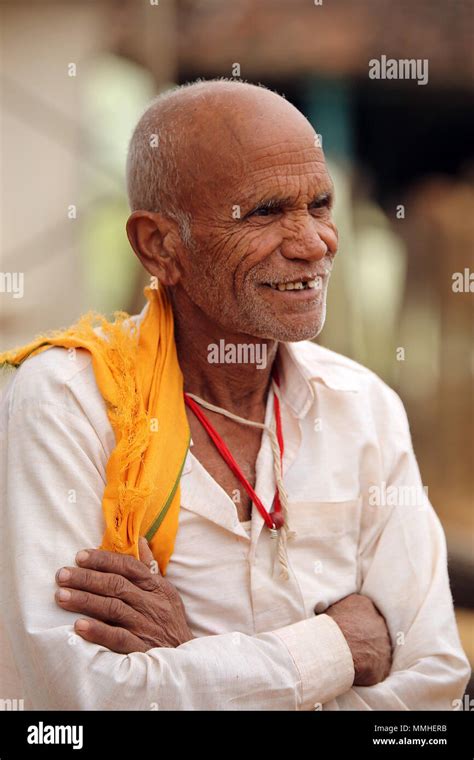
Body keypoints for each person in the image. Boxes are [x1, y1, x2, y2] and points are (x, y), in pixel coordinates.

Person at [0, 79, 469, 710]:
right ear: (159, 245)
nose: (313, 243)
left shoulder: (363, 407)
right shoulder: (65, 403)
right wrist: (337, 648)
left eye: (322, 204)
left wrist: (190, 656)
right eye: (266, 212)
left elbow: (432, 684)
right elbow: (79, 701)